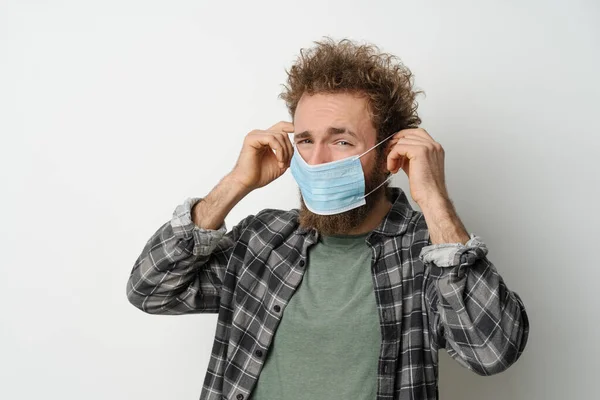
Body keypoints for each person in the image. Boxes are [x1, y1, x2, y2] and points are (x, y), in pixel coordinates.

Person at [126, 37, 529, 400]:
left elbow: (491, 351)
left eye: (341, 141)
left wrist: (435, 200)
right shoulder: (263, 240)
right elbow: (150, 290)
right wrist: (235, 184)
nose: (316, 161)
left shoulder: (428, 254)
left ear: (391, 154)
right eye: (305, 141)